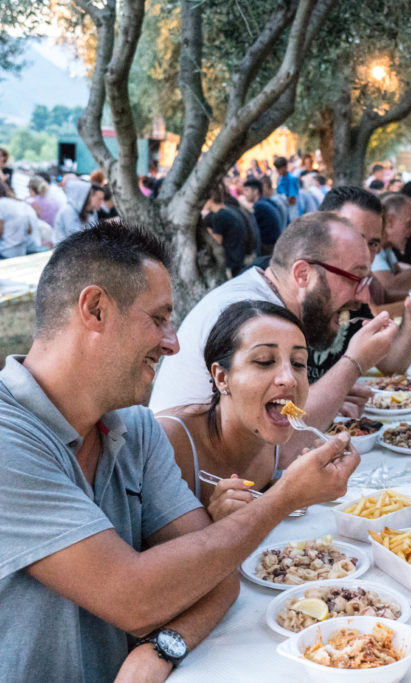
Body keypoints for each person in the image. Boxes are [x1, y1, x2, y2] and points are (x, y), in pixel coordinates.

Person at [0, 221, 359, 681]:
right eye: (159, 318)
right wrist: (284, 498)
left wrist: (162, 649)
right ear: (95, 309)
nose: (173, 342)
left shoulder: (134, 427)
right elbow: (133, 597)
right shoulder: (11, 437)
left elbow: (214, 570)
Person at [149, 211, 399, 462]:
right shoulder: (248, 314)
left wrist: (332, 397)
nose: (363, 297)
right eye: (355, 278)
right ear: (303, 274)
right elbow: (277, 451)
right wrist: (353, 363)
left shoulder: (265, 300)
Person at [157, 301, 313, 521]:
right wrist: (214, 522)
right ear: (221, 378)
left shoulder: (268, 429)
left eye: (298, 363)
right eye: (265, 361)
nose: (289, 379)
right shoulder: (167, 442)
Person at [313, 186, 411, 381]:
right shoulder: (273, 295)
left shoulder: (356, 289)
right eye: (354, 238)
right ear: (320, 232)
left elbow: (392, 364)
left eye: (373, 244)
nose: (365, 255)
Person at [203, 183, 255, 278]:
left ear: (210, 199)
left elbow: (216, 241)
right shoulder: (228, 210)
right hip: (241, 257)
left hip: (232, 262)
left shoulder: (218, 217)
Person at [242, 178, 284, 255]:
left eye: (247, 190)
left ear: (256, 191)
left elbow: (251, 229)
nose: (244, 193)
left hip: (267, 248)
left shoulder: (259, 206)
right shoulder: (267, 201)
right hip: (277, 244)